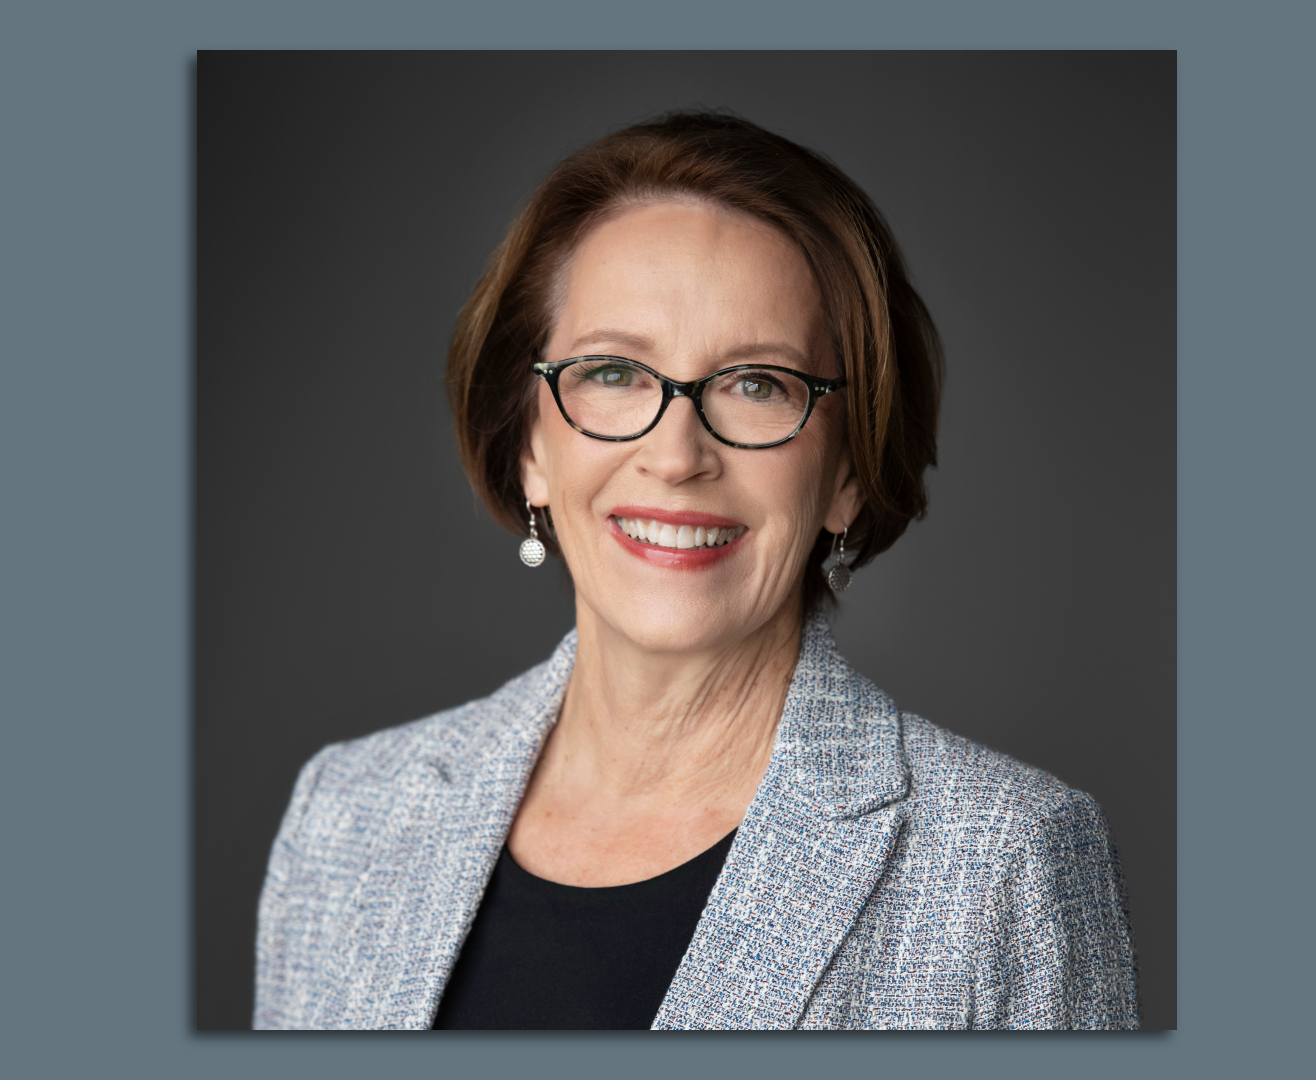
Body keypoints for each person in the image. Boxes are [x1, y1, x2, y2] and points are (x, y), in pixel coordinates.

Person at [253, 112, 1138, 1030]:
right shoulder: (347, 820)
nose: (677, 455)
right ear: (530, 446)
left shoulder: (1004, 861)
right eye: (613, 372)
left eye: (757, 383)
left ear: (844, 472)